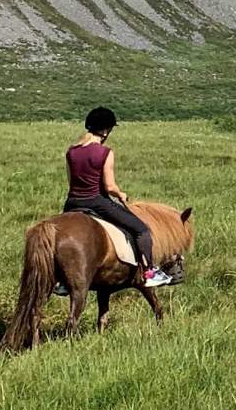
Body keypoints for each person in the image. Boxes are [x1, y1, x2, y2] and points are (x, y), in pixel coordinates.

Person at [64, 106, 172, 288]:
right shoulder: (105, 153)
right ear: (106, 130)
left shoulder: (71, 152)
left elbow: (70, 181)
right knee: (141, 230)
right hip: (96, 202)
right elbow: (109, 186)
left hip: (72, 203)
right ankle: (149, 273)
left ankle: (62, 281)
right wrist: (121, 194)